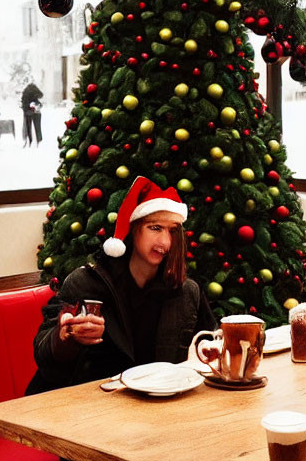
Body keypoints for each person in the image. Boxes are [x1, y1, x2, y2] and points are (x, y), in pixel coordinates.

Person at [27, 177, 216, 395]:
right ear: (134, 229)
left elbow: (210, 341)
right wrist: (66, 336)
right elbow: (44, 356)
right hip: (83, 409)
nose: (165, 242)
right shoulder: (86, 283)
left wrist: (211, 351)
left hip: (154, 409)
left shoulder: (186, 291)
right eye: (155, 228)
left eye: (172, 231)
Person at [20, 82, 43, 147]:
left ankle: (29, 141)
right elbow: (41, 95)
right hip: (34, 110)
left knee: (28, 127)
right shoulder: (33, 89)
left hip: (28, 111)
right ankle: (38, 140)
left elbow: (23, 103)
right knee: (37, 126)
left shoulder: (25, 91)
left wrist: (26, 110)